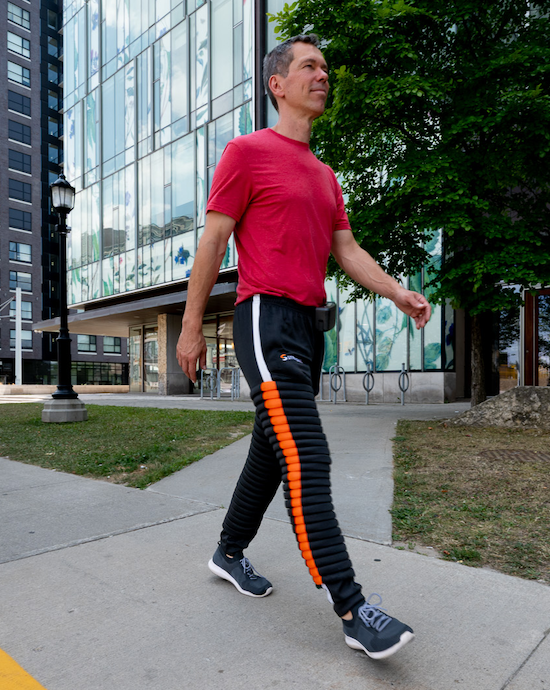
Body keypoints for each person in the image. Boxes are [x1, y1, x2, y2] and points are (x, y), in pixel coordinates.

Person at [176, 34, 431, 661]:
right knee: (307, 456)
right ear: (278, 84)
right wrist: (189, 326)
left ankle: (227, 552)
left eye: (325, 68)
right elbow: (212, 242)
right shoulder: (246, 153)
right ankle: (353, 608)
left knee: (273, 451)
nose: (323, 76)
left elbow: (346, 250)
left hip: (309, 331)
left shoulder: (324, 176)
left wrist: (397, 292)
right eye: (310, 66)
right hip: (264, 320)